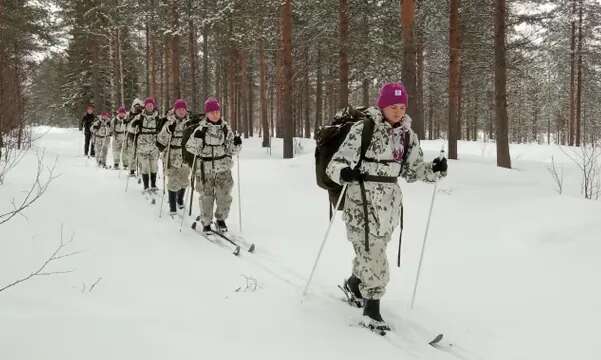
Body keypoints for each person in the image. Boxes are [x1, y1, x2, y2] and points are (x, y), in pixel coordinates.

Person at [326, 82, 448, 332]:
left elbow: (413, 171)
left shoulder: (407, 135)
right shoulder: (363, 129)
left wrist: (434, 170)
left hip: (389, 207)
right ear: (382, 105)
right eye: (393, 106)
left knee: (374, 250)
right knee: (374, 255)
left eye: (402, 106)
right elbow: (334, 164)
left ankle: (354, 283)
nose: (398, 111)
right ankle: (372, 308)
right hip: (360, 202)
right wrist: (344, 173)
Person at [185, 97, 242, 233]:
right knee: (206, 197)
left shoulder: (226, 129)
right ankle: (206, 222)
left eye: (217, 111)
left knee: (224, 196)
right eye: (212, 112)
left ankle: (221, 219)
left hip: (223, 169)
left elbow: (232, 150)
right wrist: (197, 139)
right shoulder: (201, 129)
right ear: (207, 114)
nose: (215, 114)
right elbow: (190, 147)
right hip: (205, 169)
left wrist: (237, 144)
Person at [157, 99, 192, 216]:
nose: (181, 111)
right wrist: (168, 130)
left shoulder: (190, 123)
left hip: (185, 156)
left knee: (184, 180)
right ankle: (172, 207)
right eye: (179, 109)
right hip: (171, 155)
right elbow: (160, 140)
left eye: (183, 109)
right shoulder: (169, 122)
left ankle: (180, 199)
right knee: (173, 181)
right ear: (175, 110)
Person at [130, 97, 161, 193]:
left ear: (153, 106)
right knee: (145, 166)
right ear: (145, 106)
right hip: (142, 145)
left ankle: (153, 184)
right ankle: (146, 186)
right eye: (148, 105)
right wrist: (134, 126)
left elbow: (162, 130)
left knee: (154, 166)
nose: (149, 107)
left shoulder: (157, 117)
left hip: (154, 145)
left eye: (151, 105)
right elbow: (130, 128)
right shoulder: (139, 117)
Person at [126, 98, 144, 177]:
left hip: (140, 136)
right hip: (131, 135)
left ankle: (142, 169)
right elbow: (127, 124)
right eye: (136, 106)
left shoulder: (143, 114)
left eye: (139, 106)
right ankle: (132, 170)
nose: (137, 108)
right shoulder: (130, 114)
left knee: (141, 153)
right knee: (132, 153)